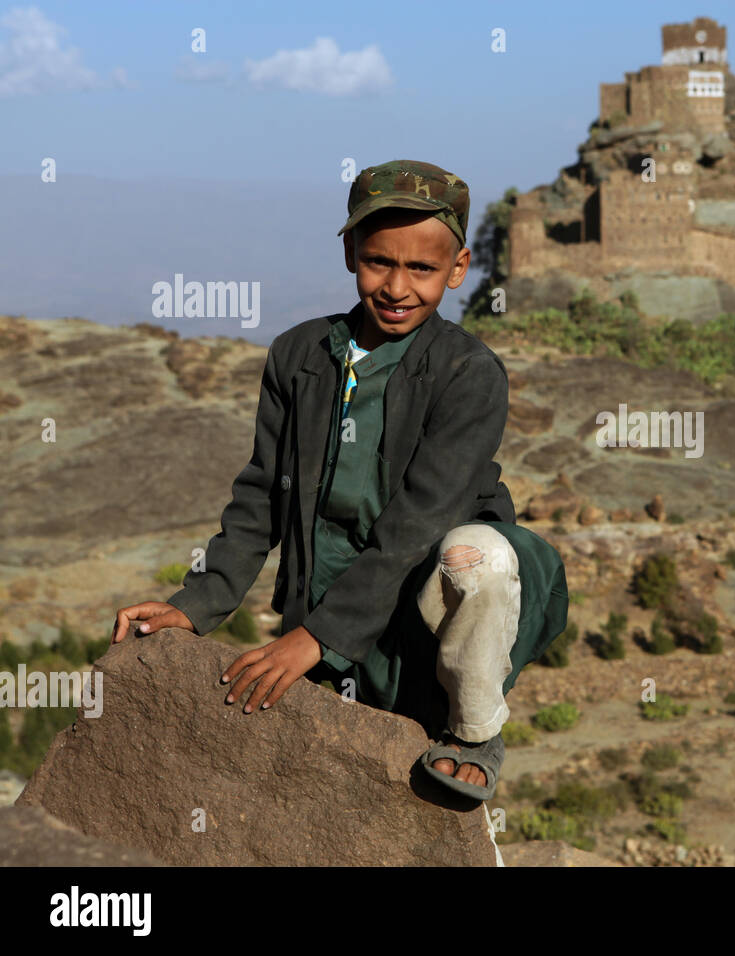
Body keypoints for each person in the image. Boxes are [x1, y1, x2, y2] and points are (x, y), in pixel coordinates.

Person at [111, 159, 568, 803]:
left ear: (459, 269)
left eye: (423, 269)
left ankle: (472, 732)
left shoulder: (468, 373)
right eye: (379, 261)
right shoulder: (298, 356)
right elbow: (260, 495)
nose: (397, 286)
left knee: (479, 556)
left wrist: (318, 640)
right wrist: (198, 604)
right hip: (322, 608)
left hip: (420, 611)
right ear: (350, 251)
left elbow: (420, 522)